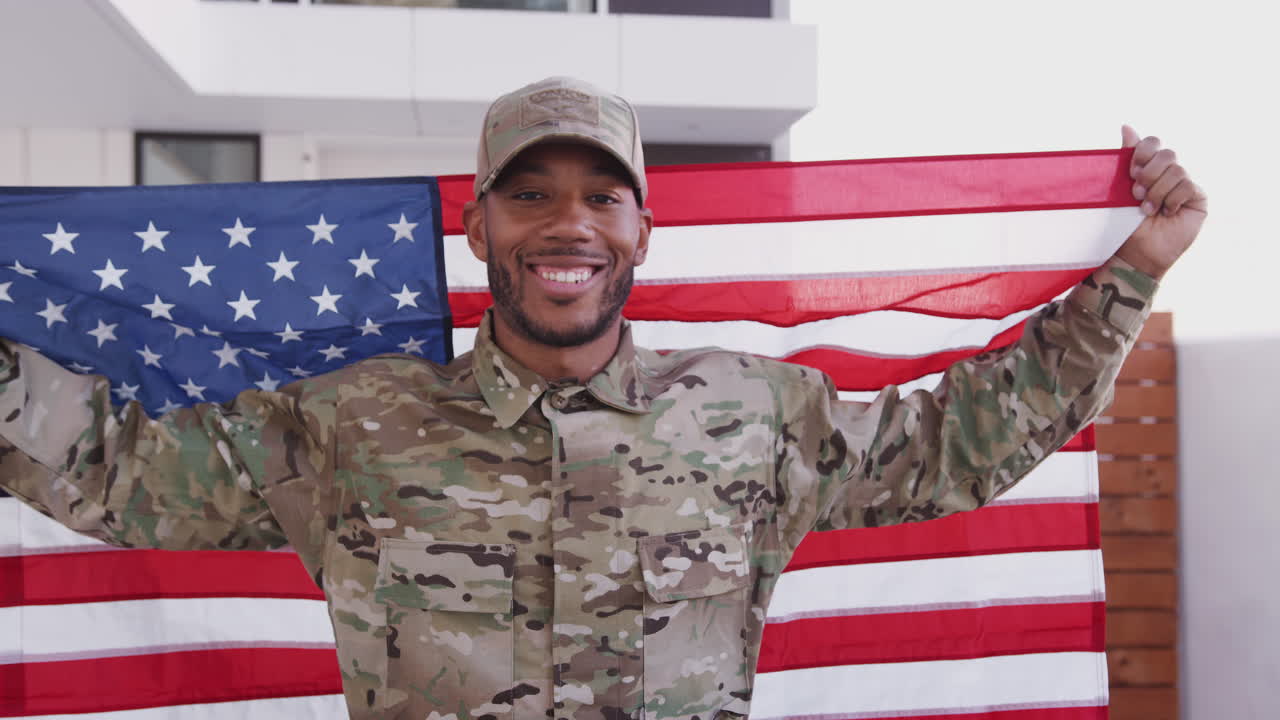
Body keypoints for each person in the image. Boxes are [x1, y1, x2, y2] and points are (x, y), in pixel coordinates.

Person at [0, 76, 1206, 720]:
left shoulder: (751, 415)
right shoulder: (353, 427)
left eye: (599, 195)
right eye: (528, 195)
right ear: (478, 229)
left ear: (639, 230)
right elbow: (116, 468)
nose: (566, 223)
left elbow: (957, 444)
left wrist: (1134, 269)